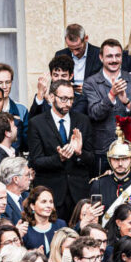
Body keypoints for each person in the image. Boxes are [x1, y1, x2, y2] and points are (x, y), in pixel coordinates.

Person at [27, 80, 96, 218]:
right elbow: (36, 161)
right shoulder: (37, 123)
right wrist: (59, 158)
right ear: (52, 97)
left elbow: (92, 159)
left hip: (78, 193)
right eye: (64, 98)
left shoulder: (83, 121)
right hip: (52, 193)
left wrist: (79, 153)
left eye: (71, 99)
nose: (69, 103)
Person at [84, 39, 131, 174]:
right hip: (103, 150)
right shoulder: (91, 83)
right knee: (103, 192)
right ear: (101, 58)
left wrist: (127, 102)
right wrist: (111, 95)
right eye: (109, 56)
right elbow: (94, 113)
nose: (114, 60)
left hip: (129, 150)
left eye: (117, 56)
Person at [89, 119, 131, 224]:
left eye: (124, 159)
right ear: (109, 159)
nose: (120, 163)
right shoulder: (98, 184)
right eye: (116, 159)